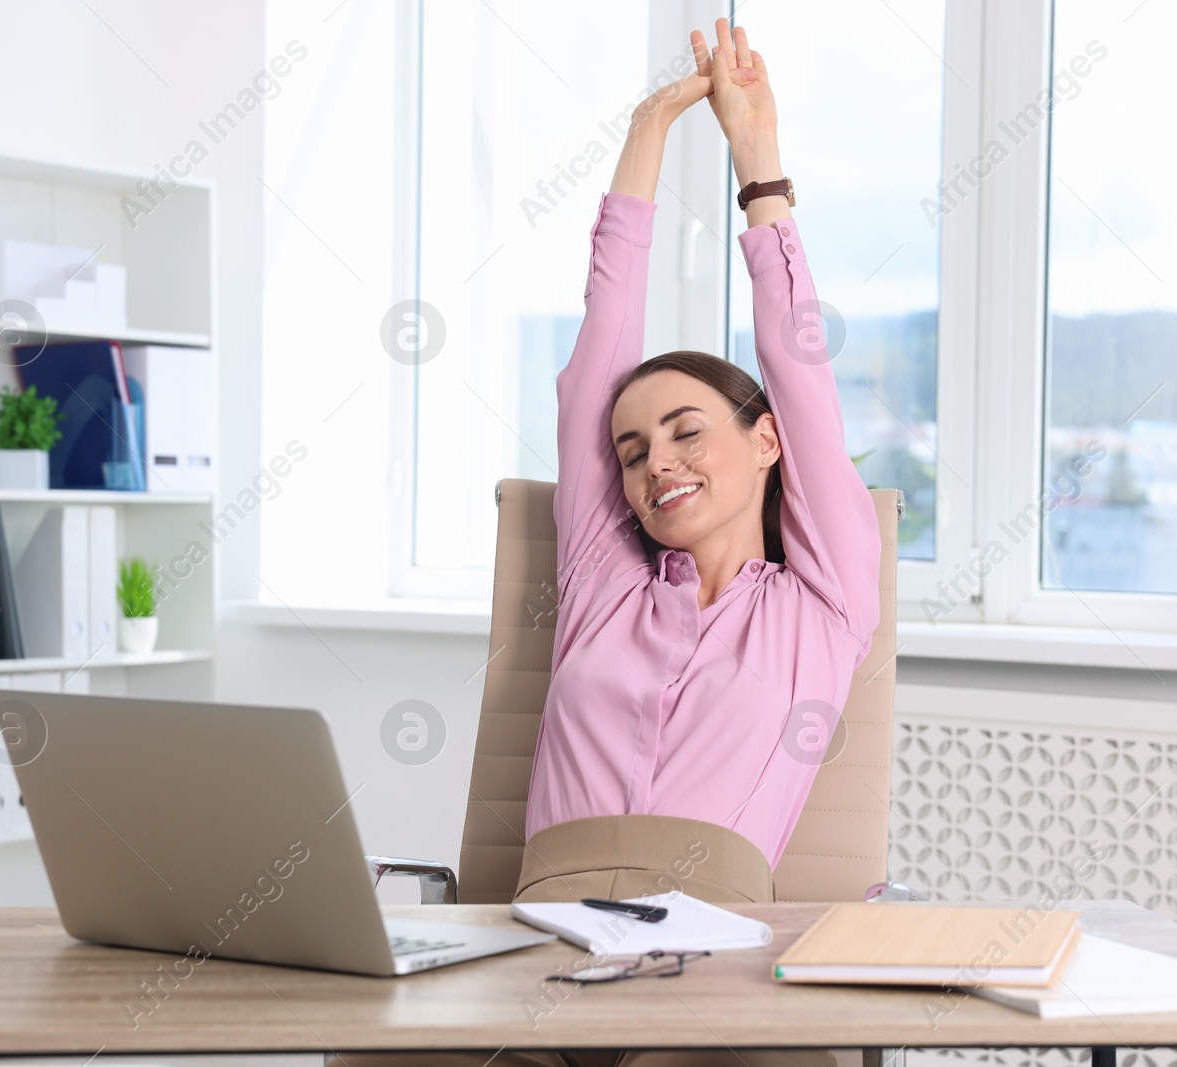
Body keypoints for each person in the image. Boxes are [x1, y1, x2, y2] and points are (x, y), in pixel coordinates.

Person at [342, 18, 880, 1067]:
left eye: (687, 432)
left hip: (714, 946)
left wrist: (755, 166)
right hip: (534, 940)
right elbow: (600, 342)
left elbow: (796, 362)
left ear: (765, 441)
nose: (655, 464)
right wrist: (645, 133)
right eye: (632, 451)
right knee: (398, 1052)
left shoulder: (821, 601)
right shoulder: (599, 578)